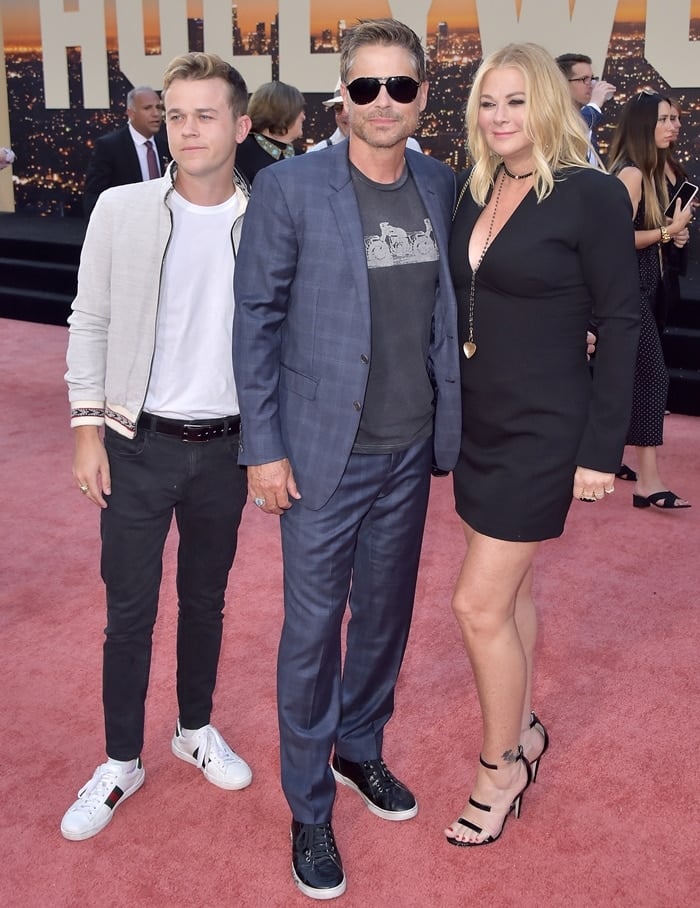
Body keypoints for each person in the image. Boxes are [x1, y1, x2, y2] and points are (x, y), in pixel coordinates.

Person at [233, 18, 460, 900]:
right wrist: (265, 447)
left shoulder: (439, 182)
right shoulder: (292, 189)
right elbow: (254, 320)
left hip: (410, 449)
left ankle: (361, 748)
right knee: (311, 632)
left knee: (386, 620)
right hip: (322, 457)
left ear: (421, 98)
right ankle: (309, 808)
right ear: (342, 96)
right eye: (365, 88)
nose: (382, 104)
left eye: (399, 88)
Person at [444, 42, 640, 848]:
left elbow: (622, 320)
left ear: (550, 104)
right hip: (478, 423)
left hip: (544, 430)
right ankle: (524, 727)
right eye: (489, 103)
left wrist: (601, 449)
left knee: (476, 604)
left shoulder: (589, 194)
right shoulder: (472, 185)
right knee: (513, 594)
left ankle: (501, 768)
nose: (500, 118)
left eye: (517, 102)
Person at [61, 52, 254, 843]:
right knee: (129, 610)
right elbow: (91, 319)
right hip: (136, 444)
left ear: (242, 126)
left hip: (229, 449)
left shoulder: (271, 216)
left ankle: (194, 728)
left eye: (206, 114)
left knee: (206, 600)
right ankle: (120, 760)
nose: (188, 128)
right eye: (176, 114)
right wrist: (86, 429)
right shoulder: (121, 208)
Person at [607, 90, 692, 509]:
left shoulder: (652, 171)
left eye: (674, 119)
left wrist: (672, 233)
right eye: (664, 119)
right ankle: (647, 481)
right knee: (652, 378)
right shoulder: (632, 175)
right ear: (644, 124)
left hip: (645, 290)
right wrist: (664, 232)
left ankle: (626, 470)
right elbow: (616, 240)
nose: (674, 126)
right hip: (626, 294)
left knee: (635, 379)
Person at [83, 85, 169, 218]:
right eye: (147, 108)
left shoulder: (165, 145)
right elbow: (93, 198)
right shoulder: (109, 147)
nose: (156, 113)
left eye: (158, 107)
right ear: (131, 113)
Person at [307, 79, 422, 153]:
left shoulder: (410, 147)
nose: (345, 113)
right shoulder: (317, 153)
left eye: (351, 105)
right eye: (338, 108)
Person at [234, 80, 305, 184]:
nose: (303, 117)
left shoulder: (302, 157)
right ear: (284, 111)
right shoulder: (241, 150)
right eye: (300, 110)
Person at [556, 52, 615, 164]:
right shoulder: (552, 117)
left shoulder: (588, 120)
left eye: (592, 78)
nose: (591, 84)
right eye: (584, 79)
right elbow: (572, 131)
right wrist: (594, 104)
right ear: (562, 84)